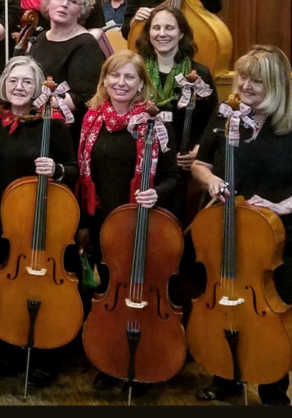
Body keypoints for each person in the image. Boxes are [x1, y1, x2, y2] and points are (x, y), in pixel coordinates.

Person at [192, 45, 292, 406]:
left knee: (273, 313)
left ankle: (273, 388)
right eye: (242, 77)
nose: (246, 85)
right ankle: (225, 377)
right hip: (228, 231)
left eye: (257, 80)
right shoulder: (226, 115)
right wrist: (210, 181)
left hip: (282, 237)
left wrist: (281, 207)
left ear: (277, 84)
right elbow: (200, 162)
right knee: (226, 303)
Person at [75, 50, 178, 390]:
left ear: (140, 85)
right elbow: (84, 173)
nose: (121, 83)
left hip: (142, 221)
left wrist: (156, 194)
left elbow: (172, 176)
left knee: (142, 294)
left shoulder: (155, 122)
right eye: (115, 76)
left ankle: (145, 361)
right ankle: (110, 359)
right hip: (103, 221)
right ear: (104, 79)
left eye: (129, 77)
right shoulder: (91, 118)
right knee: (108, 291)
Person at [0, 55, 79, 384]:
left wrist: (57, 170)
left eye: (27, 81)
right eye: (13, 81)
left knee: (43, 286)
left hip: (44, 221)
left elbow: (74, 169)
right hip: (3, 220)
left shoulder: (51, 124)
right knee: (6, 286)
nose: (19, 87)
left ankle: (46, 354)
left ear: (38, 87)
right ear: (3, 86)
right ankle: (8, 348)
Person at [136, 6, 218, 221]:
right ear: (148, 33)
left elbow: (213, 122)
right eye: (156, 28)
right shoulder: (137, 71)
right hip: (145, 165)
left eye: (169, 28)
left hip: (184, 169)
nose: (162, 33)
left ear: (181, 33)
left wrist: (199, 150)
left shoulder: (199, 74)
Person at [26, 0, 106, 145]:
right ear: (48, 2)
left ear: (81, 10)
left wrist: (33, 101)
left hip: (64, 132)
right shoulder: (40, 38)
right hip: (36, 123)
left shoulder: (86, 45)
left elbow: (85, 98)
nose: (64, 4)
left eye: (73, 1)